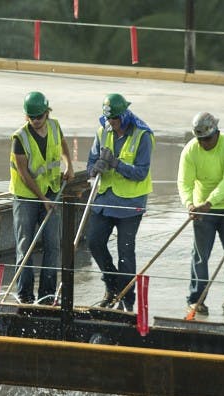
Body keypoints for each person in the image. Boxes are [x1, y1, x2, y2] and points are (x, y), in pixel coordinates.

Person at [85, 93, 155, 311]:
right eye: (108, 119)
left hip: (130, 204)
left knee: (126, 252)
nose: (111, 123)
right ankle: (112, 285)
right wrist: (94, 168)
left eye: (115, 119)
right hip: (105, 199)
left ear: (124, 115)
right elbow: (90, 161)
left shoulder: (143, 136)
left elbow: (141, 172)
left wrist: (116, 164)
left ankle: (127, 299)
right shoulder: (102, 131)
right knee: (94, 241)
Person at [176, 112, 224, 317]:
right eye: (200, 139)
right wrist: (189, 204)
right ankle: (196, 300)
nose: (204, 143)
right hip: (201, 209)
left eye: (207, 138)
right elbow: (184, 182)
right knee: (200, 256)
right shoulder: (190, 150)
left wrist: (210, 202)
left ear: (216, 132)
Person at [9, 91, 74, 304]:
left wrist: (69, 165)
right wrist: (42, 198)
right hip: (26, 197)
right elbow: (23, 172)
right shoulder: (20, 138)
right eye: (32, 117)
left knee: (52, 245)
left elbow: (63, 144)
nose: (36, 121)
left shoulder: (54, 126)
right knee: (25, 246)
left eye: (39, 116)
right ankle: (25, 295)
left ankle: (46, 296)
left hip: (51, 191)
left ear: (47, 113)